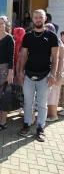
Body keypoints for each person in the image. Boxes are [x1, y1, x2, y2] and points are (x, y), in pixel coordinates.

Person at [18, 9, 59, 142]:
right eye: (35, 17)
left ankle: (40, 128)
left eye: (40, 17)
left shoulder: (52, 36)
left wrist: (53, 75)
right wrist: (20, 72)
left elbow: (55, 57)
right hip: (29, 74)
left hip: (45, 75)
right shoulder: (28, 36)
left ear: (45, 18)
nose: (38, 19)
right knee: (28, 103)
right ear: (32, 19)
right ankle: (27, 124)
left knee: (42, 104)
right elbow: (23, 55)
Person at [44, 23, 63, 122]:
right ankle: (49, 114)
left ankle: (53, 115)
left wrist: (58, 73)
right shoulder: (48, 41)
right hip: (48, 71)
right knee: (49, 94)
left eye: (47, 29)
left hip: (55, 72)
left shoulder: (58, 42)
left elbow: (60, 59)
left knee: (54, 94)